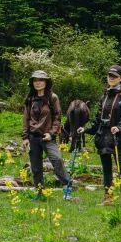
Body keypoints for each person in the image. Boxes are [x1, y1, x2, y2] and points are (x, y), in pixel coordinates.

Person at [79, 65, 121, 207]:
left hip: (118, 139)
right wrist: (85, 129)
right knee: (106, 169)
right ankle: (108, 198)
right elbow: (98, 120)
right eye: (110, 76)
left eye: (115, 76)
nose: (111, 78)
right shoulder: (104, 96)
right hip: (103, 137)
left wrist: (120, 127)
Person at [22, 70, 73, 200]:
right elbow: (26, 119)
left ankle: (67, 183)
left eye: (41, 80)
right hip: (33, 137)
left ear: (46, 82)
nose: (38, 83)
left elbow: (57, 117)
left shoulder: (52, 97)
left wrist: (52, 133)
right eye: (35, 80)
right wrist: (25, 137)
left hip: (48, 137)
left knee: (57, 160)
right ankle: (40, 193)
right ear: (32, 83)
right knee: (36, 168)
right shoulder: (30, 99)